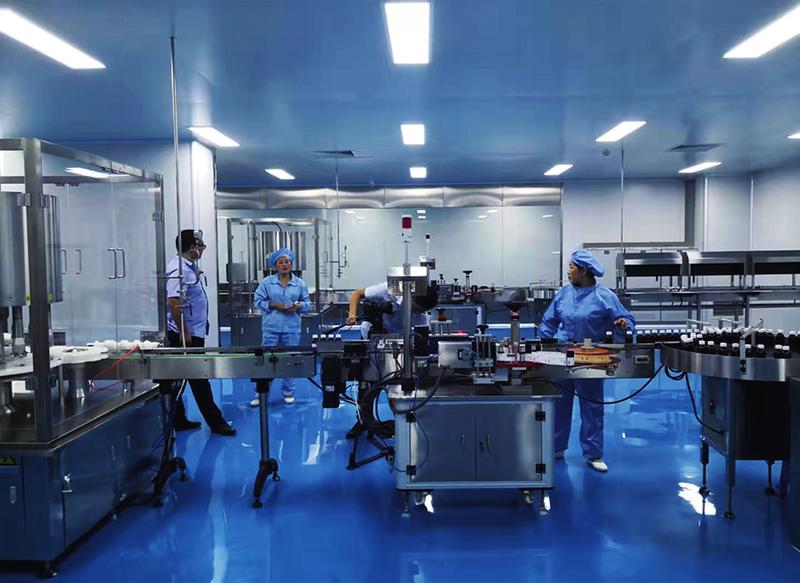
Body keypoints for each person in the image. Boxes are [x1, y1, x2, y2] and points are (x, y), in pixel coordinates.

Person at [538, 249, 635, 473]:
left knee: (592, 407)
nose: (568, 271)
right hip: (562, 357)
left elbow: (626, 319)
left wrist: (623, 324)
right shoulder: (563, 294)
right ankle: (556, 448)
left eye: (571, 267)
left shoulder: (604, 296)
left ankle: (593, 454)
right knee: (559, 404)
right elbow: (548, 322)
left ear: (583, 271)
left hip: (591, 358)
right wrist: (545, 345)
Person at [165, 229, 236, 436]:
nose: (203, 248)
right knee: (199, 379)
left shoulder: (188, 268)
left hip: (192, 332)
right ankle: (217, 423)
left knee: (180, 378)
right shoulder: (178, 269)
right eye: (201, 245)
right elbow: (174, 302)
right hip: (185, 336)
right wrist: (184, 331)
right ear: (192, 247)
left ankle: (179, 420)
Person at [250, 248, 311, 406]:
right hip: (271, 328)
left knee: (290, 360)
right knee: (266, 360)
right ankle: (261, 393)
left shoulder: (300, 284)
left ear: (291, 264)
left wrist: (298, 306)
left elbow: (308, 304)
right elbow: (257, 301)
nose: (284, 265)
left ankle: (288, 392)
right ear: (275, 265)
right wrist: (274, 305)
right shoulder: (267, 283)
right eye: (280, 262)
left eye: (287, 262)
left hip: (292, 328)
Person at [345, 281, 437, 338]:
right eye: (416, 309)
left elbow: (423, 338)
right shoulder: (391, 289)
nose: (418, 313)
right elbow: (357, 294)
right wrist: (352, 315)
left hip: (399, 341)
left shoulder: (422, 316)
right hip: (372, 335)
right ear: (411, 298)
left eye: (421, 311)